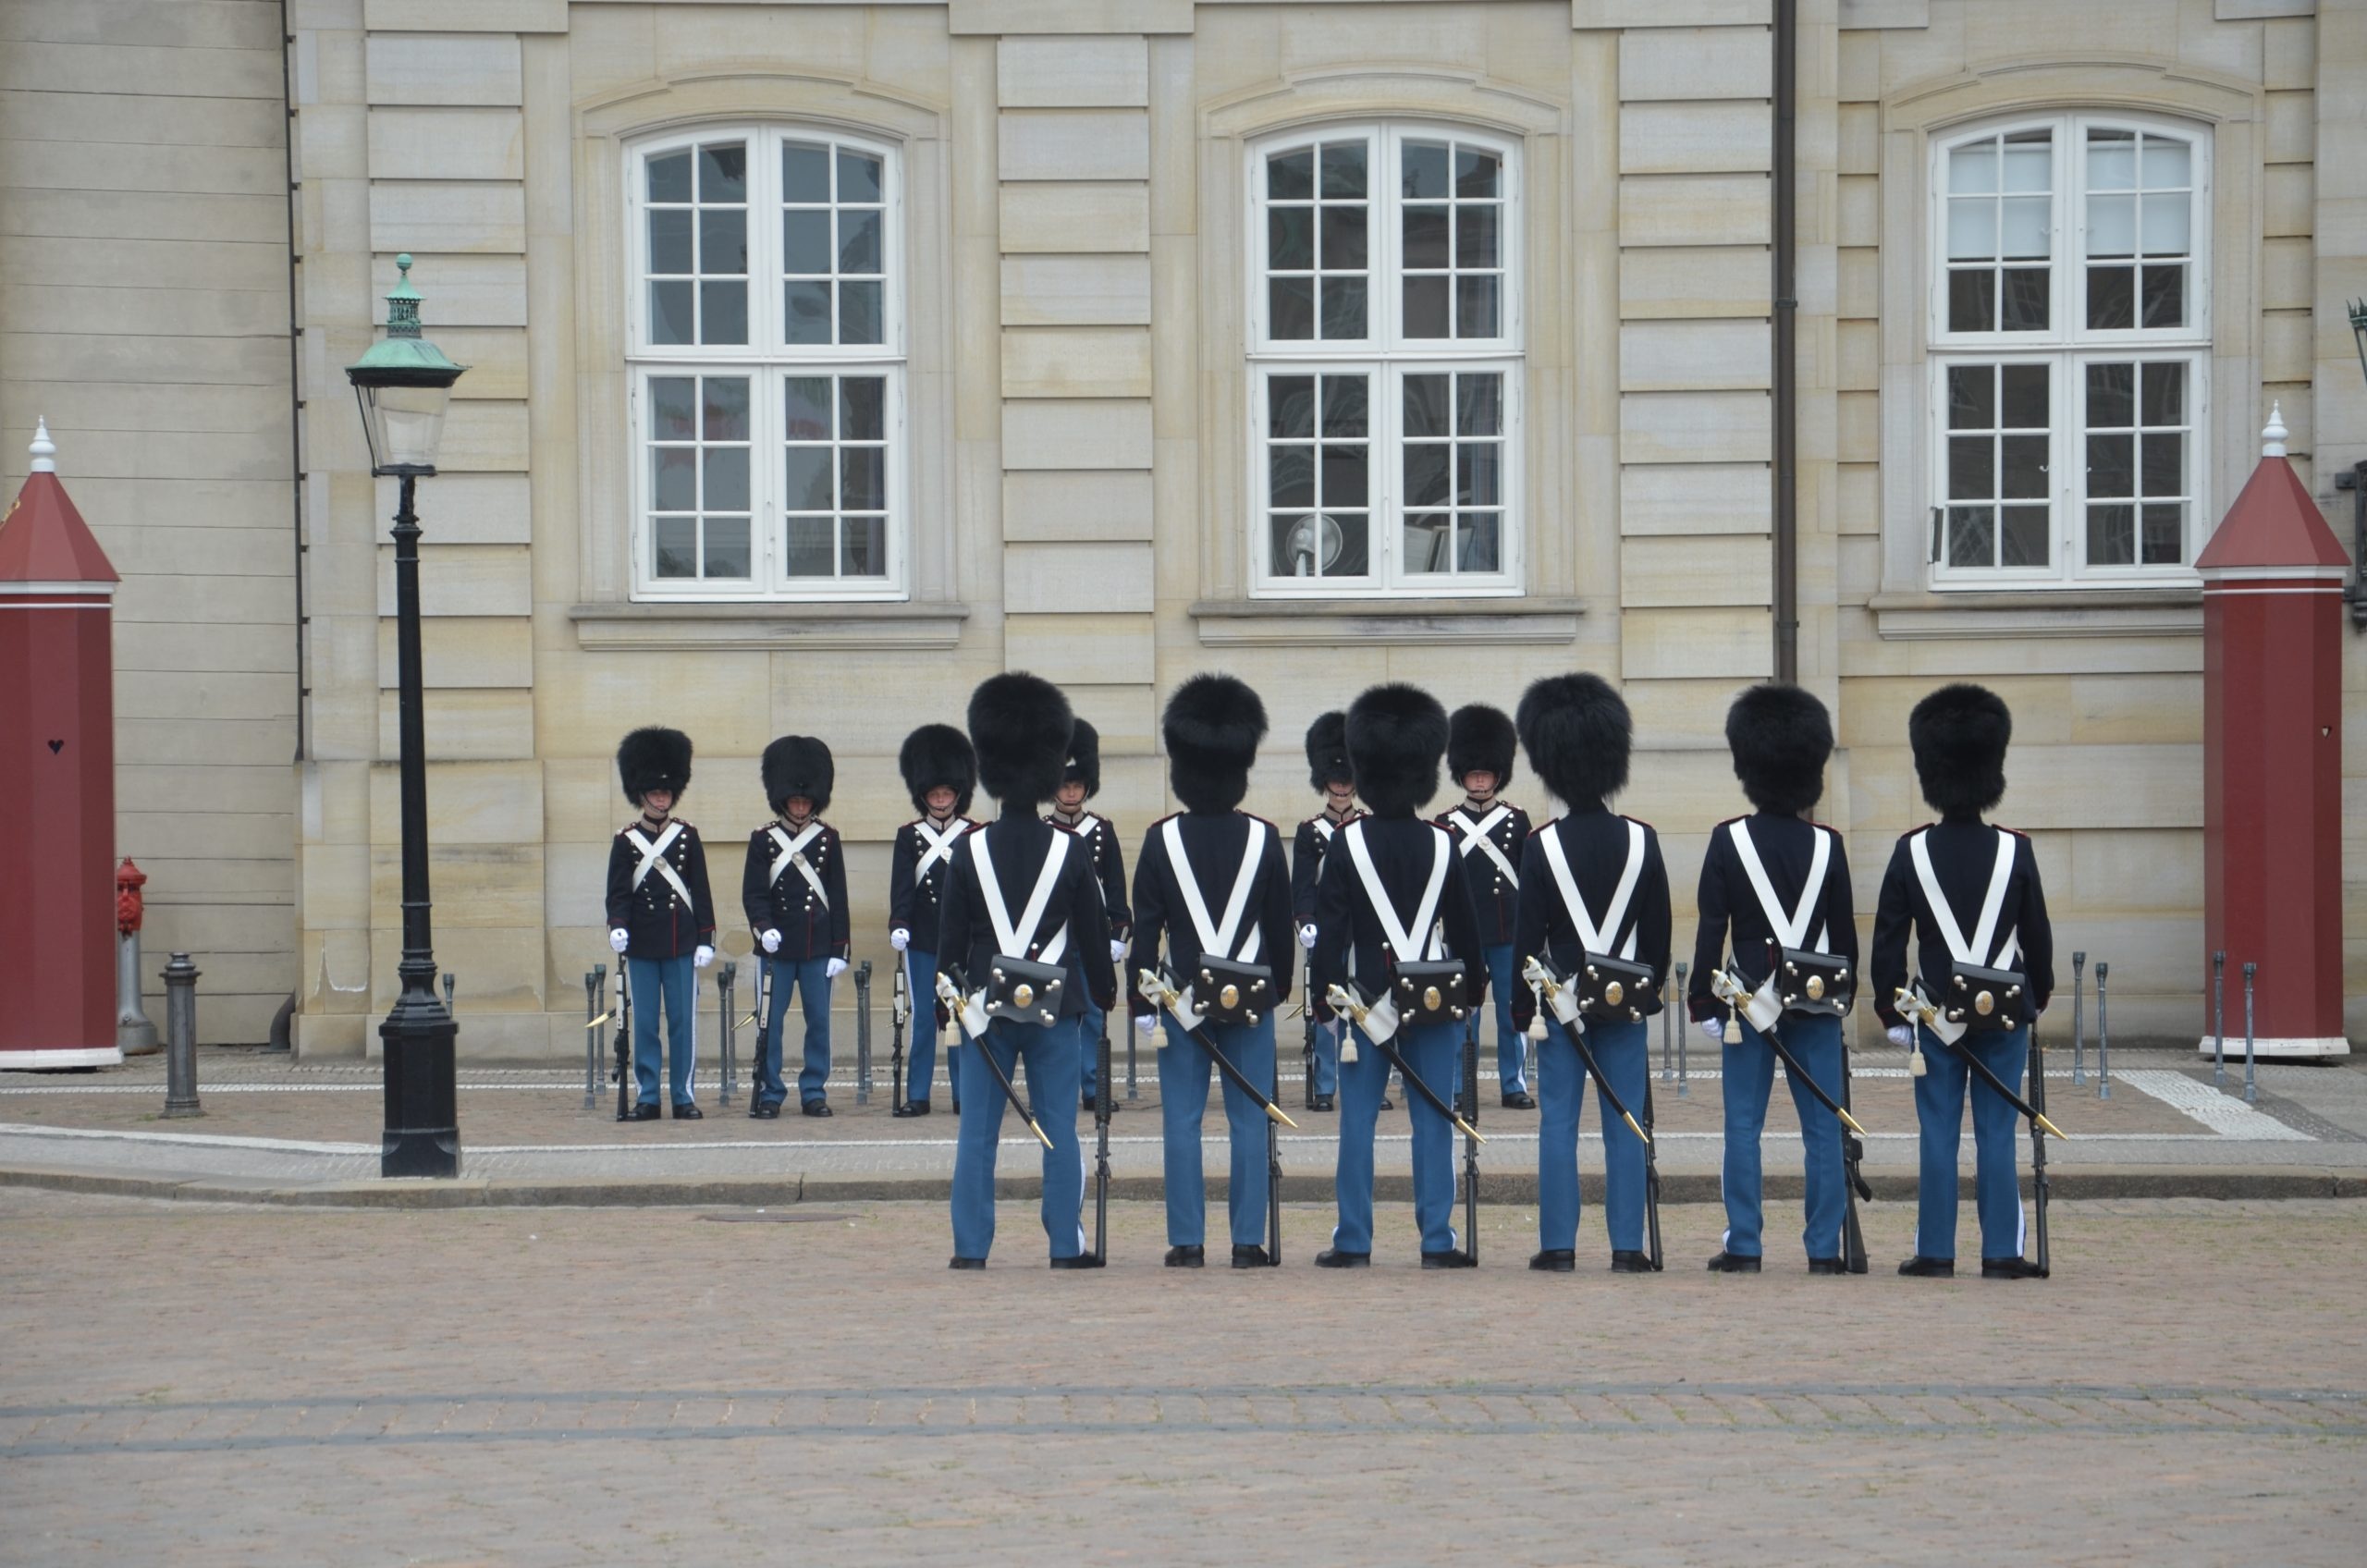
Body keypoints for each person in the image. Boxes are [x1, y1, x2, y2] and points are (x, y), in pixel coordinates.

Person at [1873, 683, 2055, 1280]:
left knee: (1938, 1134)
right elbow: (2038, 938)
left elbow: (1888, 940)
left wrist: (1891, 1009)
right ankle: (2002, 1252)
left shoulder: (1911, 851)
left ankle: (1936, 1251)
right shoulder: (2015, 851)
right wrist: (2038, 995)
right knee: (1998, 1131)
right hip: (2003, 1011)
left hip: (1935, 1015)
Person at [938, 673, 1116, 1269]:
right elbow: (1093, 936)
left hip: (986, 1011)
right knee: (1059, 1131)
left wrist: (947, 1002)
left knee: (976, 1137)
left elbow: (951, 940)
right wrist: (1105, 992)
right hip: (1055, 1009)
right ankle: (1065, 1245)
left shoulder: (968, 848)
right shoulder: (1070, 850)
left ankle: (970, 1249)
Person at [1312, 682, 1486, 1269]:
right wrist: (1476, 990)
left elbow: (1330, 937)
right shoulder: (1444, 843)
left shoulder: (1346, 843)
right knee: (1434, 1120)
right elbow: (1466, 932)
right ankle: (1437, 1239)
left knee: (1357, 1125)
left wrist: (1323, 1000)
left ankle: (1354, 1239)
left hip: (1364, 1007)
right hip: (1434, 1002)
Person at [1686, 684, 1858, 1274]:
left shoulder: (1727, 839)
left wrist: (1703, 999)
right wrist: (1844, 997)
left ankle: (1746, 1244)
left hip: (1747, 999)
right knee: (1822, 1128)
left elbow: (1713, 928)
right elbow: (1844, 939)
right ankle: (1823, 1249)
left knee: (1742, 1127)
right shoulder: (1829, 845)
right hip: (1816, 1002)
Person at [1129, 674, 1294, 1268]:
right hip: (1251, 994)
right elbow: (1280, 929)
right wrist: (1277, 989)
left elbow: (1145, 930)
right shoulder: (1265, 838)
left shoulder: (1159, 840)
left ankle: (1187, 1240)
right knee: (1250, 1120)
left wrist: (1143, 1003)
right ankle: (1248, 1240)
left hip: (1180, 1000)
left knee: (1183, 1122)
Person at [1511, 673, 1671, 1273]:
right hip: (1625, 1003)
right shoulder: (1642, 839)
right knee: (1625, 1123)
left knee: (1558, 1126)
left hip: (1561, 1006)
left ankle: (1559, 1245)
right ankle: (1627, 1247)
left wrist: (1520, 1009)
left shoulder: (1541, 844)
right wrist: (1647, 990)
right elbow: (1657, 933)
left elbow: (1528, 939)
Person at [605, 727, 716, 1121]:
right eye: (654, 792)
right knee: (646, 1025)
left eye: (666, 792)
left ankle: (683, 1095)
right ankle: (648, 1096)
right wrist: (617, 925)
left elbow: (700, 891)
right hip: (642, 946)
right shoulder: (626, 841)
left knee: (682, 1025)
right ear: (642, 794)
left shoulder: (687, 836)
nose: (661, 796)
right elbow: (618, 893)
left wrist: (706, 938)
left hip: (681, 943)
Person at [742, 736, 850, 1119]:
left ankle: (813, 1090)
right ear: (783, 799)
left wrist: (840, 949)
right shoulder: (763, 840)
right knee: (770, 1025)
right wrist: (763, 928)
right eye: (795, 800)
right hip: (777, 949)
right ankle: (771, 1090)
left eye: (806, 801)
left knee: (818, 1023)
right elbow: (753, 894)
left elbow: (837, 898)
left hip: (817, 947)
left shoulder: (827, 839)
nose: (801, 806)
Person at [1435, 704, 1535, 1109]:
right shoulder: (1446, 822)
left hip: (1507, 931)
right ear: (1462, 774)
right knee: (1462, 1014)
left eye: (1485, 773)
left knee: (1513, 1012)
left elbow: (1530, 881)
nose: (1479, 779)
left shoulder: (1517, 819)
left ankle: (1513, 1084)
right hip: (1464, 933)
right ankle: (1460, 1085)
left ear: (1497, 775)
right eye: (1473, 772)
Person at [889, 723, 978, 1117]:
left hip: (965, 940)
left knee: (961, 1015)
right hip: (923, 937)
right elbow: (901, 887)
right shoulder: (909, 836)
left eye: (946, 793)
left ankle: (964, 1093)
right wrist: (899, 923)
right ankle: (919, 1094)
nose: (941, 799)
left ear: (957, 794)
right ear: (924, 794)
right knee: (924, 1019)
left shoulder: (974, 833)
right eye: (935, 793)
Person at [1047, 717, 1131, 1112]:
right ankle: (1056, 1086)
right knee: (1054, 1018)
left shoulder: (1102, 830)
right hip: (1055, 939)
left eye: (1077, 785)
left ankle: (1095, 1088)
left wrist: (1118, 932)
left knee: (1095, 1016)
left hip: (1092, 935)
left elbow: (1115, 885)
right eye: (1065, 784)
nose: (1071, 791)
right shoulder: (1043, 831)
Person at [1290, 712, 1361, 1110]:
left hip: (1363, 929)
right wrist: (1305, 921)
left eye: (1346, 778)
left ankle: (1367, 1080)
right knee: (1325, 1007)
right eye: (1334, 778)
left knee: (1366, 1005)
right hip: (1326, 930)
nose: (1340, 784)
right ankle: (1325, 1085)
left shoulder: (1367, 826)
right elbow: (1302, 885)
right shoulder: (1310, 831)